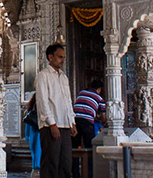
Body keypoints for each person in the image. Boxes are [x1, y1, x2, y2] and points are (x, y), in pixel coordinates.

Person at [35, 43, 77, 178]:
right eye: (60, 57)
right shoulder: (43, 75)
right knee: (51, 162)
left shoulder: (63, 76)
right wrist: (52, 123)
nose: (62, 60)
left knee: (65, 163)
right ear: (50, 57)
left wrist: (72, 121)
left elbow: (67, 100)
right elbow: (43, 101)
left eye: (64, 57)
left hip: (65, 124)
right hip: (50, 126)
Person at [72, 80, 106, 178]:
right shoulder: (99, 98)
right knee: (89, 148)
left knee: (75, 148)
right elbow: (103, 117)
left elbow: (83, 109)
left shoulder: (81, 93)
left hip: (74, 122)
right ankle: (89, 174)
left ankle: (75, 174)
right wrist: (101, 120)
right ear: (99, 89)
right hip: (87, 124)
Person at [24, 93, 41, 177]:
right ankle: (37, 169)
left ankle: (34, 169)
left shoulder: (30, 111)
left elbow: (27, 124)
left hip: (32, 134)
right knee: (38, 151)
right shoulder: (40, 111)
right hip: (38, 133)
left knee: (34, 152)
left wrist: (27, 136)